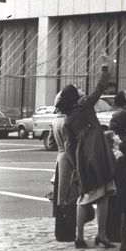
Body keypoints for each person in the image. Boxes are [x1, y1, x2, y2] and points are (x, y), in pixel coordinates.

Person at [56, 54, 117, 248]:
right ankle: (101, 234)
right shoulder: (83, 106)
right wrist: (105, 68)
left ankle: (80, 236)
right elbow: (100, 89)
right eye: (78, 89)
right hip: (96, 150)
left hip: (83, 155)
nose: (82, 90)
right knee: (103, 192)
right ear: (74, 96)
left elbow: (69, 146)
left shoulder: (68, 118)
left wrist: (76, 166)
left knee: (87, 195)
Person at [49, 93, 80, 242]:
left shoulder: (56, 121)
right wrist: (76, 165)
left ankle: (61, 231)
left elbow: (50, 143)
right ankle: (68, 232)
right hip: (68, 159)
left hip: (59, 158)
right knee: (70, 195)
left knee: (60, 196)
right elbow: (69, 146)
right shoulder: (67, 121)